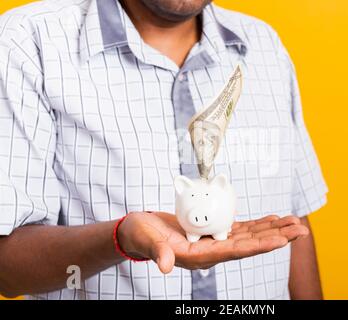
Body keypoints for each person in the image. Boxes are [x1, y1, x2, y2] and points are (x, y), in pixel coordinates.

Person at [0, 0, 328, 300]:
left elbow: (293, 222)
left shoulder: (264, 45)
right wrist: (118, 238)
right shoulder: (28, 42)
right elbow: (6, 270)